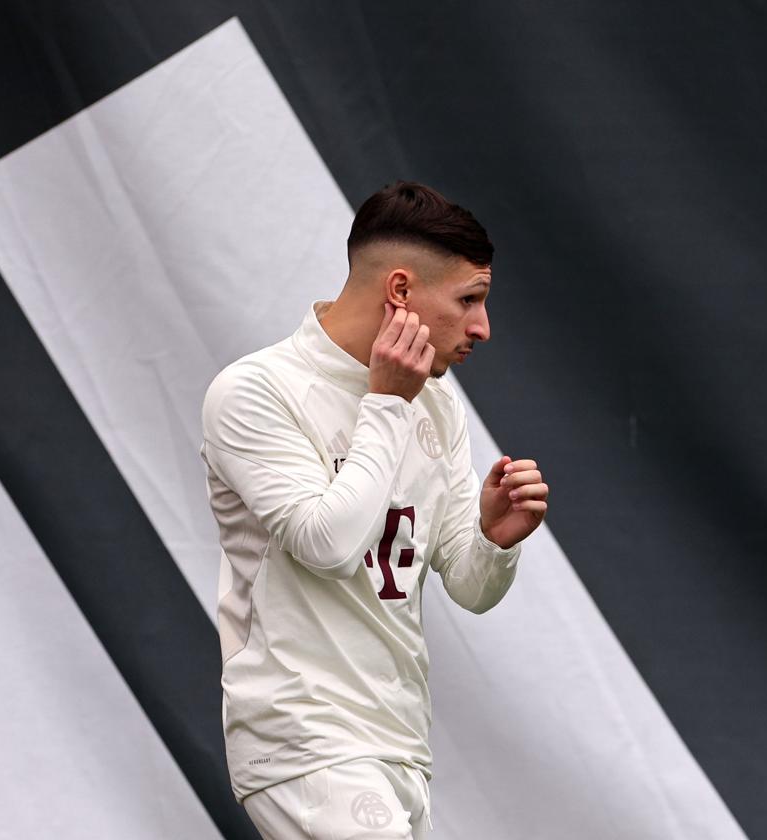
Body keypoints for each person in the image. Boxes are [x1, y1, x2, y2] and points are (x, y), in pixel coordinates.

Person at [200, 181, 549, 839]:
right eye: (469, 300)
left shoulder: (438, 403)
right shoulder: (257, 391)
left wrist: (496, 541)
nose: (483, 328)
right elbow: (325, 546)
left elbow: (469, 586)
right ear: (400, 291)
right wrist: (386, 404)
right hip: (300, 734)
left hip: (399, 739)